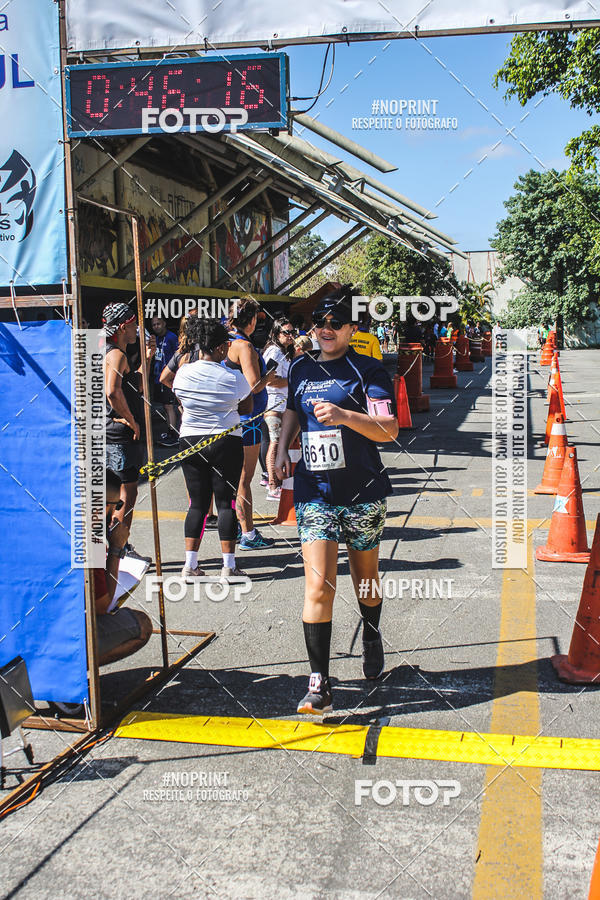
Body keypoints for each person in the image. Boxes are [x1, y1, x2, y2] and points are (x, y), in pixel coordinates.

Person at [275, 287, 399, 716]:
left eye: (335, 324)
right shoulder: (298, 367)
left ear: (351, 328)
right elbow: (292, 409)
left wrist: (345, 415)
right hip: (315, 492)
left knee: (365, 578)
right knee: (317, 584)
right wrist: (279, 449)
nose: (325, 330)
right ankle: (319, 683)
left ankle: (371, 635)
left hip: (363, 491)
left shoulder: (369, 370)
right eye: (319, 323)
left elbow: (389, 429)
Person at [173, 318, 253, 581]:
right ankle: (228, 566)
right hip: (225, 441)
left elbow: (179, 397)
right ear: (220, 348)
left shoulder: (183, 372)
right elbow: (247, 407)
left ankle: (190, 565)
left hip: (190, 440)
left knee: (197, 503)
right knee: (225, 502)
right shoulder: (233, 376)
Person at [225, 298, 278, 551]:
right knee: (244, 479)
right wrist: (270, 376)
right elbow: (255, 385)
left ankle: (236, 525)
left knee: (233, 478)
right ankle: (248, 533)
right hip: (249, 420)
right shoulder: (243, 346)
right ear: (253, 320)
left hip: (233, 418)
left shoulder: (225, 342)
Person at [103, 302, 154, 562]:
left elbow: (138, 390)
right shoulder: (115, 355)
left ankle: (118, 546)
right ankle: (118, 548)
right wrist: (131, 419)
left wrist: (147, 357)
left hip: (112, 433)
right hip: (118, 434)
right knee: (127, 492)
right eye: (134, 324)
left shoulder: (116, 354)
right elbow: (112, 391)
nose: (136, 329)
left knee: (119, 491)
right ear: (123, 327)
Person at [95, 469, 153, 664]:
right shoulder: (88, 541)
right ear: (103, 507)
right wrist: (116, 549)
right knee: (142, 624)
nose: (116, 512)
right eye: (117, 505)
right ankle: (76, 670)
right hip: (69, 635)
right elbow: (102, 606)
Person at [262, 318, 295, 501]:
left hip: (284, 406)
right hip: (274, 405)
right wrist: (291, 381)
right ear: (276, 334)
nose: (290, 336)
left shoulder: (285, 352)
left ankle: (277, 483)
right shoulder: (274, 351)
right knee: (275, 444)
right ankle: (272, 486)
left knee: (281, 444)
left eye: (292, 332)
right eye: (286, 333)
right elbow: (269, 379)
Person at [151, 315, 178, 446]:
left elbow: (178, 356)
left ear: (164, 323)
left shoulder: (172, 337)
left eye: (158, 324)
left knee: (169, 406)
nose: (156, 326)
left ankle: (174, 434)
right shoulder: (155, 339)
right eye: (154, 325)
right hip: (158, 377)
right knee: (165, 406)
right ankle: (169, 431)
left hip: (168, 377)